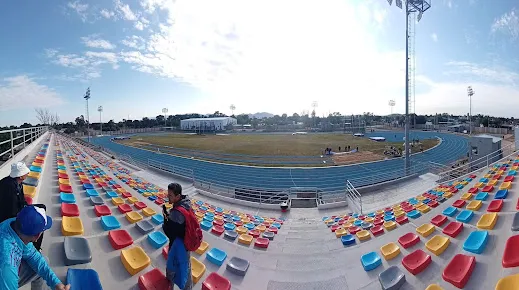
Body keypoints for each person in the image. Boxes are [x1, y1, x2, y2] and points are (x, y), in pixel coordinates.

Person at [0, 205, 70, 290]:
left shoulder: (13, 225)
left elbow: (34, 257)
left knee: (43, 262)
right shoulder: (7, 268)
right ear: (37, 236)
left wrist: (56, 283)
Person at [0, 162, 46, 251]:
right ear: (20, 176)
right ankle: (34, 248)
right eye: (26, 172)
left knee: (42, 207)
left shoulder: (17, 182)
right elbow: (11, 212)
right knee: (39, 224)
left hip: (18, 209)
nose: (28, 174)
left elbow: (22, 200)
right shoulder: (9, 188)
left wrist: (28, 207)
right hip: (9, 217)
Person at [162, 183, 194, 290]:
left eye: (170, 195)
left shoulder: (176, 214)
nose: (168, 197)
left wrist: (165, 221)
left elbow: (170, 234)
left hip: (178, 246)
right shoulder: (187, 204)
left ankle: (168, 286)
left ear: (178, 196)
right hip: (186, 245)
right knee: (186, 270)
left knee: (172, 269)